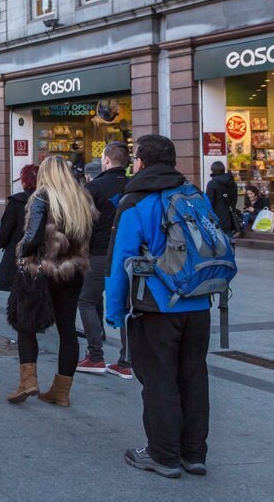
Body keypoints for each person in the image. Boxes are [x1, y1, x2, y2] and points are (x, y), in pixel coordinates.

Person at [105, 135, 218, 479]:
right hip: (198, 302)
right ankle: (194, 453)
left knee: (158, 379)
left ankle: (163, 454)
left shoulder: (135, 201)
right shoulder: (194, 196)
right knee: (194, 376)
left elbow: (121, 260)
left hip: (154, 305)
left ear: (139, 161)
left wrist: (113, 311)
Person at [7, 155, 93, 407]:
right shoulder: (82, 198)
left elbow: (32, 237)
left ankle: (28, 380)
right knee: (67, 330)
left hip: (42, 270)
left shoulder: (42, 196)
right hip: (72, 271)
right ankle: (61, 391)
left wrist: (21, 252)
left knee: (26, 325)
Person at [76, 142, 133, 379]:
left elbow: (82, 223)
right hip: (130, 255)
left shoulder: (94, 187)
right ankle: (126, 361)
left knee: (87, 301)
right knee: (128, 307)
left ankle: (96, 356)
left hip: (99, 253)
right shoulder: (135, 186)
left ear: (107, 160)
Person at [0, 164, 38, 294]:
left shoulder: (16, 201)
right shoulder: (48, 200)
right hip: (40, 255)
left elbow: (6, 228)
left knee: (17, 294)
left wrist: (2, 243)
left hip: (17, 253)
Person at [204, 162, 240, 236]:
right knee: (229, 239)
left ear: (212, 170)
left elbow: (209, 203)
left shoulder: (212, 183)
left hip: (217, 217)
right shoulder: (232, 182)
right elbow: (234, 199)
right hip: (230, 216)